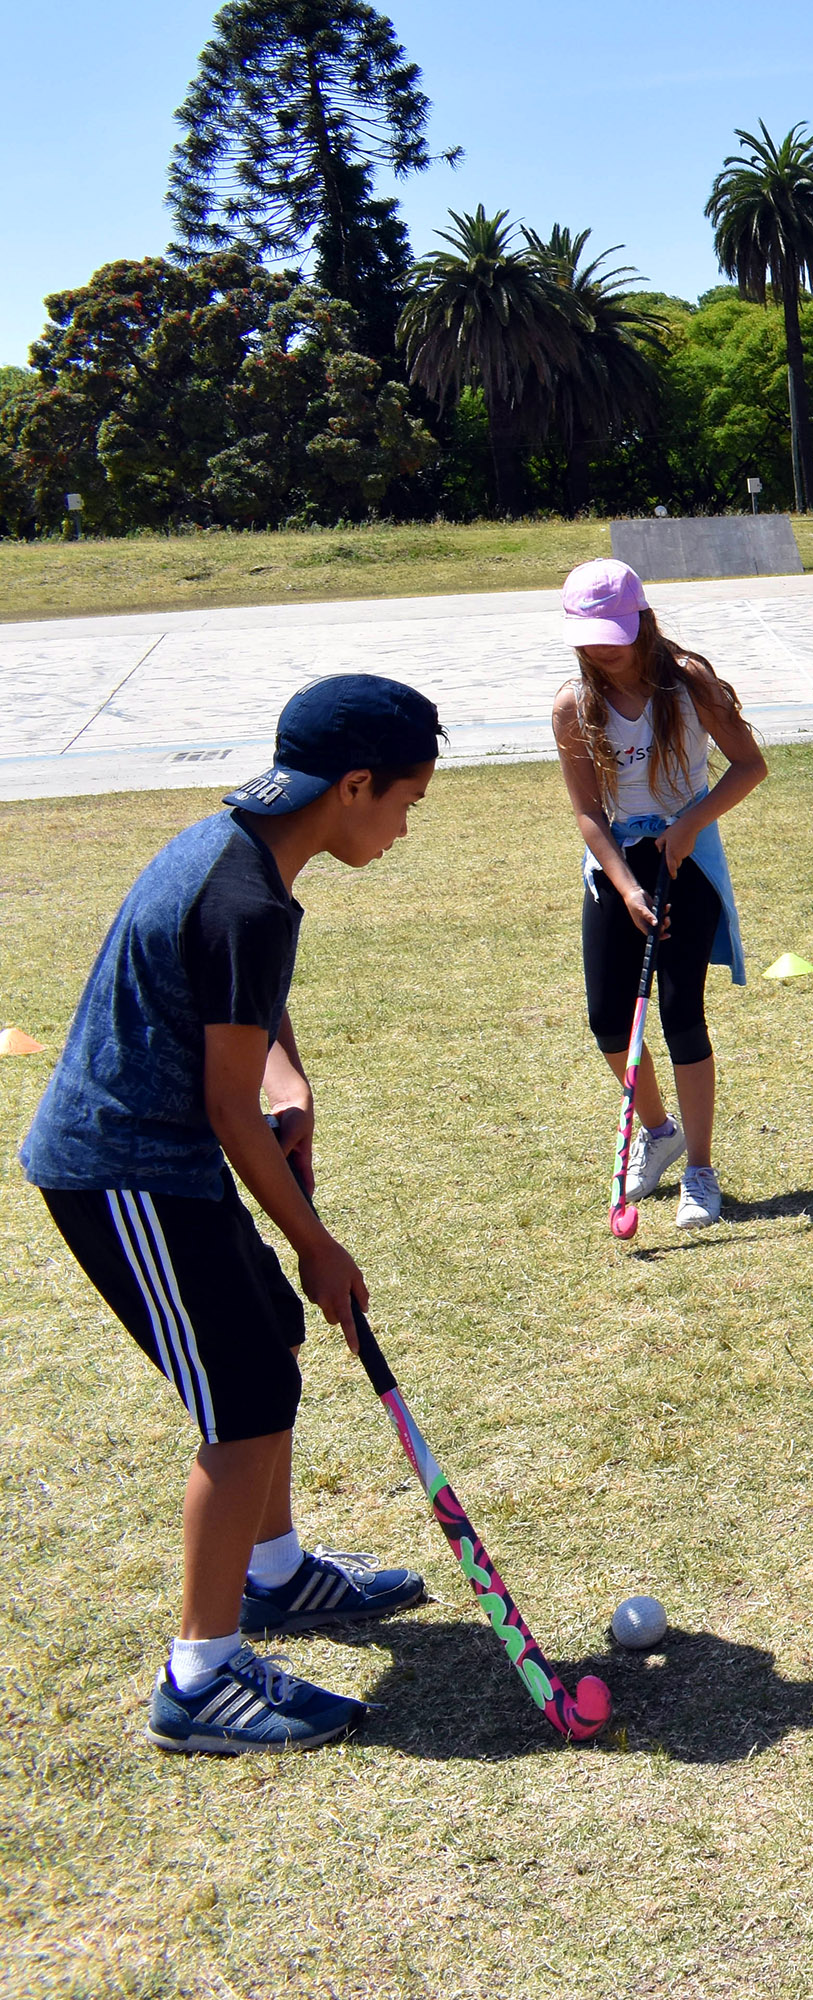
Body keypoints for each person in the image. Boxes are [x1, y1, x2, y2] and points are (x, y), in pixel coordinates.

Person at [19, 677, 443, 1752]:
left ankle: (276, 1571)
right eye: (405, 802)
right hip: (125, 1168)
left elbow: (241, 1009)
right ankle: (198, 1676)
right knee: (243, 1399)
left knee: (273, 1343)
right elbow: (221, 1099)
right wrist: (319, 1243)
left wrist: (290, 1077)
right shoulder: (246, 896)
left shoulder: (239, 851)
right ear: (353, 785)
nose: (403, 826)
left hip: (172, 1156)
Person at [553, 559, 767, 1232]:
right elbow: (588, 811)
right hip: (617, 858)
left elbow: (750, 764)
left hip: (686, 855)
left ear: (642, 620)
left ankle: (699, 1170)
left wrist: (688, 825)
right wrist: (622, 884)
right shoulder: (572, 706)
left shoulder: (689, 685)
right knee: (610, 1023)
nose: (601, 648)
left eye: (612, 631)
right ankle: (659, 1130)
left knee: (679, 1014)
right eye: (588, 635)